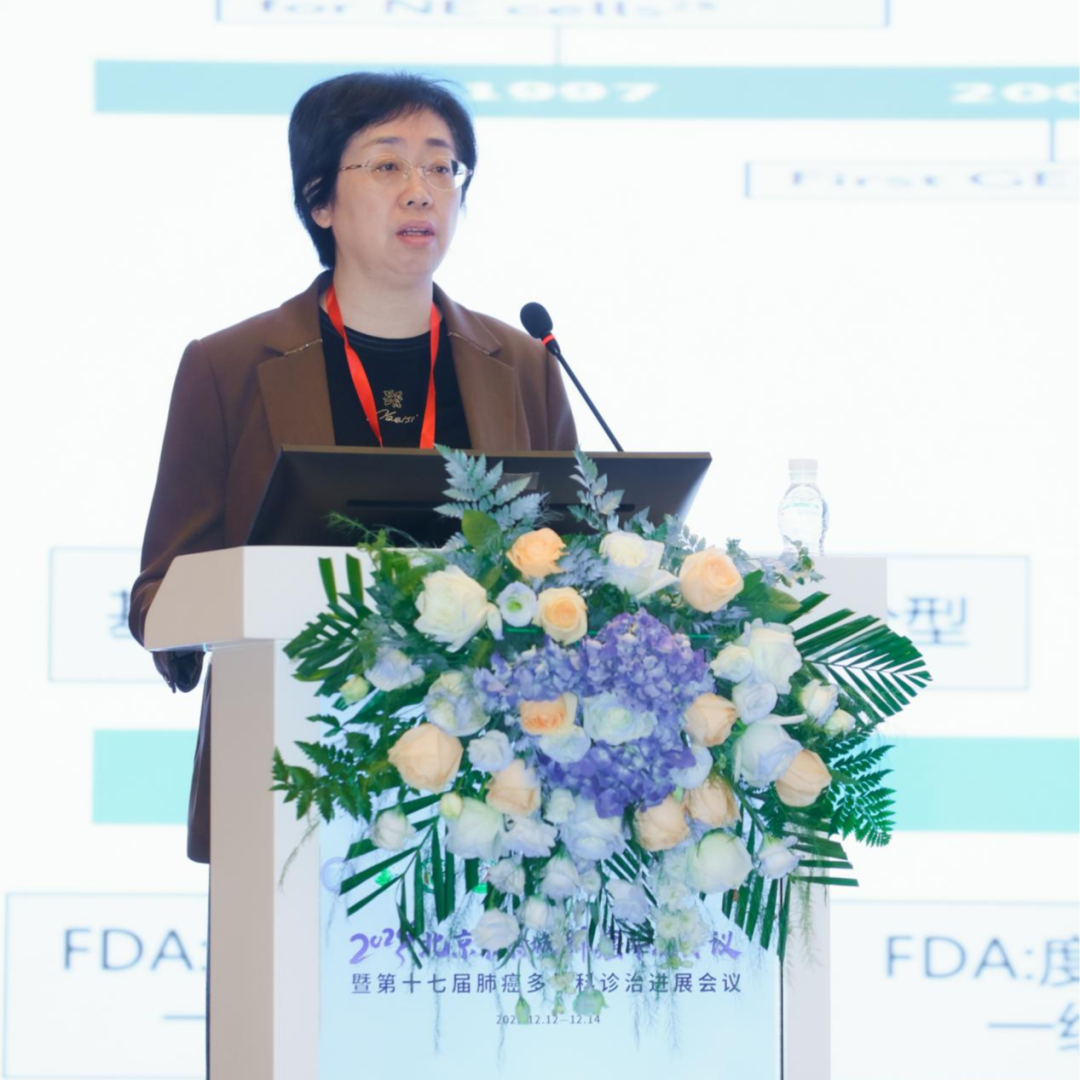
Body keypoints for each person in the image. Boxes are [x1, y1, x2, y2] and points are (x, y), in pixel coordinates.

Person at [129, 71, 578, 865]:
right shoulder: (229, 367)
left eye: (441, 166)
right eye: (387, 164)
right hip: (287, 770)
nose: (421, 190)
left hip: (497, 788)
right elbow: (160, 595)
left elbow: (576, 558)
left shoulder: (522, 364)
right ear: (320, 202)